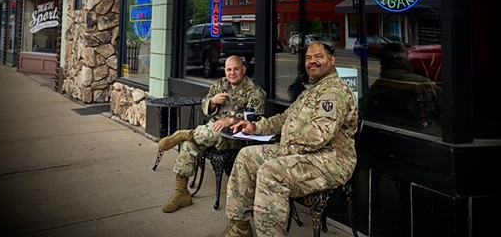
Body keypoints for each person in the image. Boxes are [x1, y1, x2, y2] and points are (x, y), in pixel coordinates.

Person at [219, 42, 359, 237]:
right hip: (301, 153)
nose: (312, 61)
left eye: (318, 56)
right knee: (246, 157)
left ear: (331, 60)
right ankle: (240, 228)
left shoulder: (334, 92)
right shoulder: (311, 91)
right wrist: (255, 127)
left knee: (271, 172)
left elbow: (319, 136)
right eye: (309, 58)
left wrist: (283, 150)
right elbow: (284, 119)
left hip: (329, 161)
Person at [158, 55, 266, 213]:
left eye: (236, 69)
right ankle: (181, 193)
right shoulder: (221, 84)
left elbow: (256, 116)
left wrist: (231, 120)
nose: (232, 73)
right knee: (189, 145)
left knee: (216, 131)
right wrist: (213, 101)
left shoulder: (254, 91)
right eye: (229, 69)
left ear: (243, 69)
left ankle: (184, 134)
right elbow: (204, 103)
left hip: (235, 135)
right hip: (211, 129)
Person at [365, 42, 442, 132]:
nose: (410, 59)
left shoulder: (375, 88)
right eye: (407, 55)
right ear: (396, 60)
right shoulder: (423, 85)